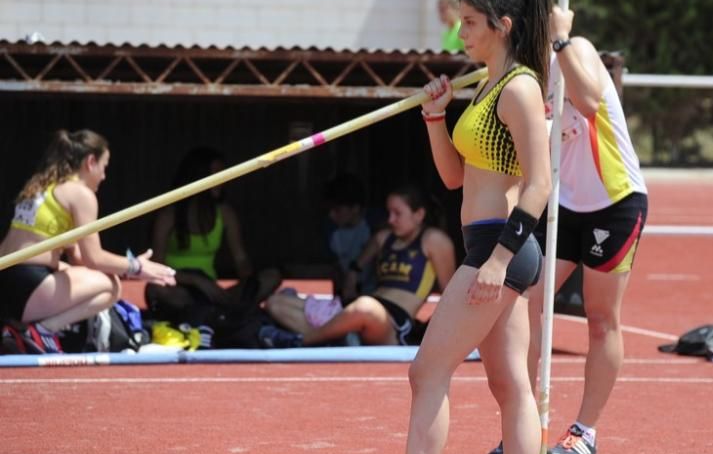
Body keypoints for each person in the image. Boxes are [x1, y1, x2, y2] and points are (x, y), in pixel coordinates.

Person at [336, 0, 554, 454]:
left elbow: (539, 185)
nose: (460, 31)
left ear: (503, 26)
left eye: (471, 22)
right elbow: (458, 179)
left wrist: (499, 258)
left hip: (499, 249)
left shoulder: (520, 89)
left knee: (427, 371)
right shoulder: (488, 85)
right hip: (485, 244)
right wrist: (436, 118)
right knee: (510, 385)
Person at [485, 5, 649, 454]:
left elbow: (592, 102)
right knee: (531, 307)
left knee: (601, 319)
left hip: (614, 200)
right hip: (564, 207)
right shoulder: (521, 79)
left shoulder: (574, 51)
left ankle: (585, 432)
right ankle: (528, 426)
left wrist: (561, 40)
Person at [0, 129, 176, 351]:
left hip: (7, 279)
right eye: (104, 167)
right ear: (91, 162)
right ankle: (42, 331)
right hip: (27, 284)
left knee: (81, 271)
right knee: (111, 285)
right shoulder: (80, 194)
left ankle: (18, 328)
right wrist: (136, 267)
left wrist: (125, 264)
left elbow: (78, 258)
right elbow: (94, 258)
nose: (104, 176)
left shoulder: (42, 186)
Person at [262, 184, 456, 346]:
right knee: (275, 302)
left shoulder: (434, 241)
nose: (390, 220)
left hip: (391, 323)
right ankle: (339, 336)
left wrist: (433, 336)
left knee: (365, 307)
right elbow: (354, 267)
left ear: (419, 215)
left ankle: (301, 341)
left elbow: (451, 294)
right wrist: (351, 278)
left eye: (397, 214)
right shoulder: (383, 238)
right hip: (356, 309)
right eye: (389, 213)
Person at [146, 147, 280, 316]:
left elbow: (240, 259)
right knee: (155, 289)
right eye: (216, 174)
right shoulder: (169, 215)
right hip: (178, 287)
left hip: (211, 293)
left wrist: (248, 282)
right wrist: (196, 281)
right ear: (198, 177)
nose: (222, 180)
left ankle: (215, 312)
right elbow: (156, 267)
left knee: (271, 277)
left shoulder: (225, 213)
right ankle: (215, 314)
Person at [323, 171, 374, 300]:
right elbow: (336, 269)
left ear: (355, 208)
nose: (331, 215)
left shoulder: (374, 226)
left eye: (337, 210)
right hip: (348, 295)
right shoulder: (332, 232)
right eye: (329, 209)